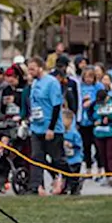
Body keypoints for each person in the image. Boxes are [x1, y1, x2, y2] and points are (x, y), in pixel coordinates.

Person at [26, 57, 66, 195]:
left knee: (57, 159)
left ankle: (70, 179)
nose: (30, 72)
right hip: (36, 126)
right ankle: (36, 186)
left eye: (32, 69)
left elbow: (56, 106)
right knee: (37, 156)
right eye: (28, 69)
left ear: (40, 67)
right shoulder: (34, 83)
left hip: (51, 127)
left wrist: (51, 128)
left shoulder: (52, 82)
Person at [92, 88, 112, 188]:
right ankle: (107, 175)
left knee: (110, 154)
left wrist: (110, 118)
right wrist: (96, 120)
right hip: (99, 132)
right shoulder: (95, 104)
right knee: (102, 155)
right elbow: (92, 114)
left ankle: (111, 176)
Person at [78, 66, 102, 176]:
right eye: (86, 77)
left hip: (94, 120)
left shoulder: (97, 87)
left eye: (91, 77)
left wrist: (91, 101)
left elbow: (101, 99)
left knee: (98, 145)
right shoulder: (80, 87)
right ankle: (88, 168)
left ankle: (100, 167)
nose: (88, 79)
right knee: (86, 145)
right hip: (84, 121)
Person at [62, 109, 84, 195]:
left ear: (70, 120)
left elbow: (79, 145)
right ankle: (65, 187)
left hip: (75, 159)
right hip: (66, 158)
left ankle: (76, 187)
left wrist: (71, 145)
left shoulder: (75, 133)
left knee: (74, 175)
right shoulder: (61, 133)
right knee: (66, 174)